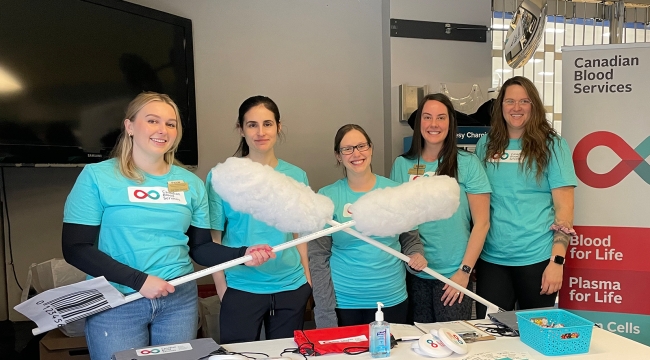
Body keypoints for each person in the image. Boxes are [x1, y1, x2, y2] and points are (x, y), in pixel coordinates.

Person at [62, 92, 274, 359]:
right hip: (119, 301)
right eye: (152, 121)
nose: (163, 130)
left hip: (178, 299)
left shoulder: (190, 183)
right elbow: (75, 248)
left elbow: (201, 247)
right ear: (129, 126)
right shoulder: (97, 177)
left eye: (171, 124)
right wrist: (139, 281)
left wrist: (241, 255)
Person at [206, 95, 312, 343]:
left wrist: (306, 281)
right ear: (241, 129)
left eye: (267, 123)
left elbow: (299, 234)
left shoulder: (296, 175)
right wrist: (223, 289)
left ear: (278, 126)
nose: (260, 132)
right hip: (241, 288)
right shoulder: (222, 176)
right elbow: (214, 239)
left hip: (291, 287)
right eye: (252, 124)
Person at [474, 76, 577, 318]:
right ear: (500, 106)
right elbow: (476, 204)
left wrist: (557, 263)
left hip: (537, 258)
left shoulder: (553, 146)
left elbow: (565, 212)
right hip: (492, 260)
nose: (516, 108)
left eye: (524, 101)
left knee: (536, 335)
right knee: (490, 335)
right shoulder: (486, 145)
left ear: (534, 106)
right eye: (509, 101)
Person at [309, 124, 427, 328]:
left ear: (371, 148)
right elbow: (318, 258)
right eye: (347, 149)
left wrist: (416, 255)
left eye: (361, 146)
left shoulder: (395, 193)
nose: (356, 153)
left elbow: (410, 240)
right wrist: (324, 312)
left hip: (391, 299)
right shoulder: (327, 197)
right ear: (338, 155)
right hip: (344, 303)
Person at [391, 93, 491, 323]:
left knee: (453, 346)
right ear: (419, 124)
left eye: (441, 118)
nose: (433, 124)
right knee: (417, 348)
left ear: (450, 123)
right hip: (414, 273)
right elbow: (397, 220)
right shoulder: (402, 164)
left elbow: (482, 223)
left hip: (454, 275)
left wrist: (464, 272)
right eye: (427, 117)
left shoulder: (468, 163)